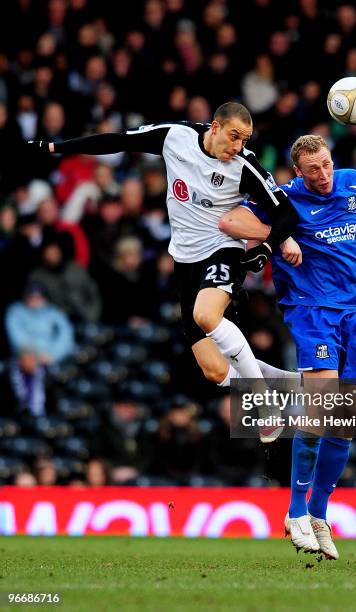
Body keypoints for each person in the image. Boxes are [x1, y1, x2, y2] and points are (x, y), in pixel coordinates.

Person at [219, 134, 356, 557]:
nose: (322, 176)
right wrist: (280, 236)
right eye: (312, 170)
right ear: (297, 172)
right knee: (322, 405)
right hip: (312, 309)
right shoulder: (283, 198)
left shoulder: (355, 182)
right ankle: (295, 512)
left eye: (325, 165)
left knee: (345, 417)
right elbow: (230, 222)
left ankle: (319, 514)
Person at [28, 101, 299, 442]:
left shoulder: (245, 166)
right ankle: (286, 385)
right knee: (214, 371)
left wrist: (268, 246)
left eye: (244, 140)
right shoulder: (176, 136)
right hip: (184, 261)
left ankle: (264, 403)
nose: (238, 147)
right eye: (234, 137)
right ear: (214, 127)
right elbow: (117, 141)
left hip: (222, 249)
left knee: (206, 315)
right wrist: (54, 148)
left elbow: (286, 214)